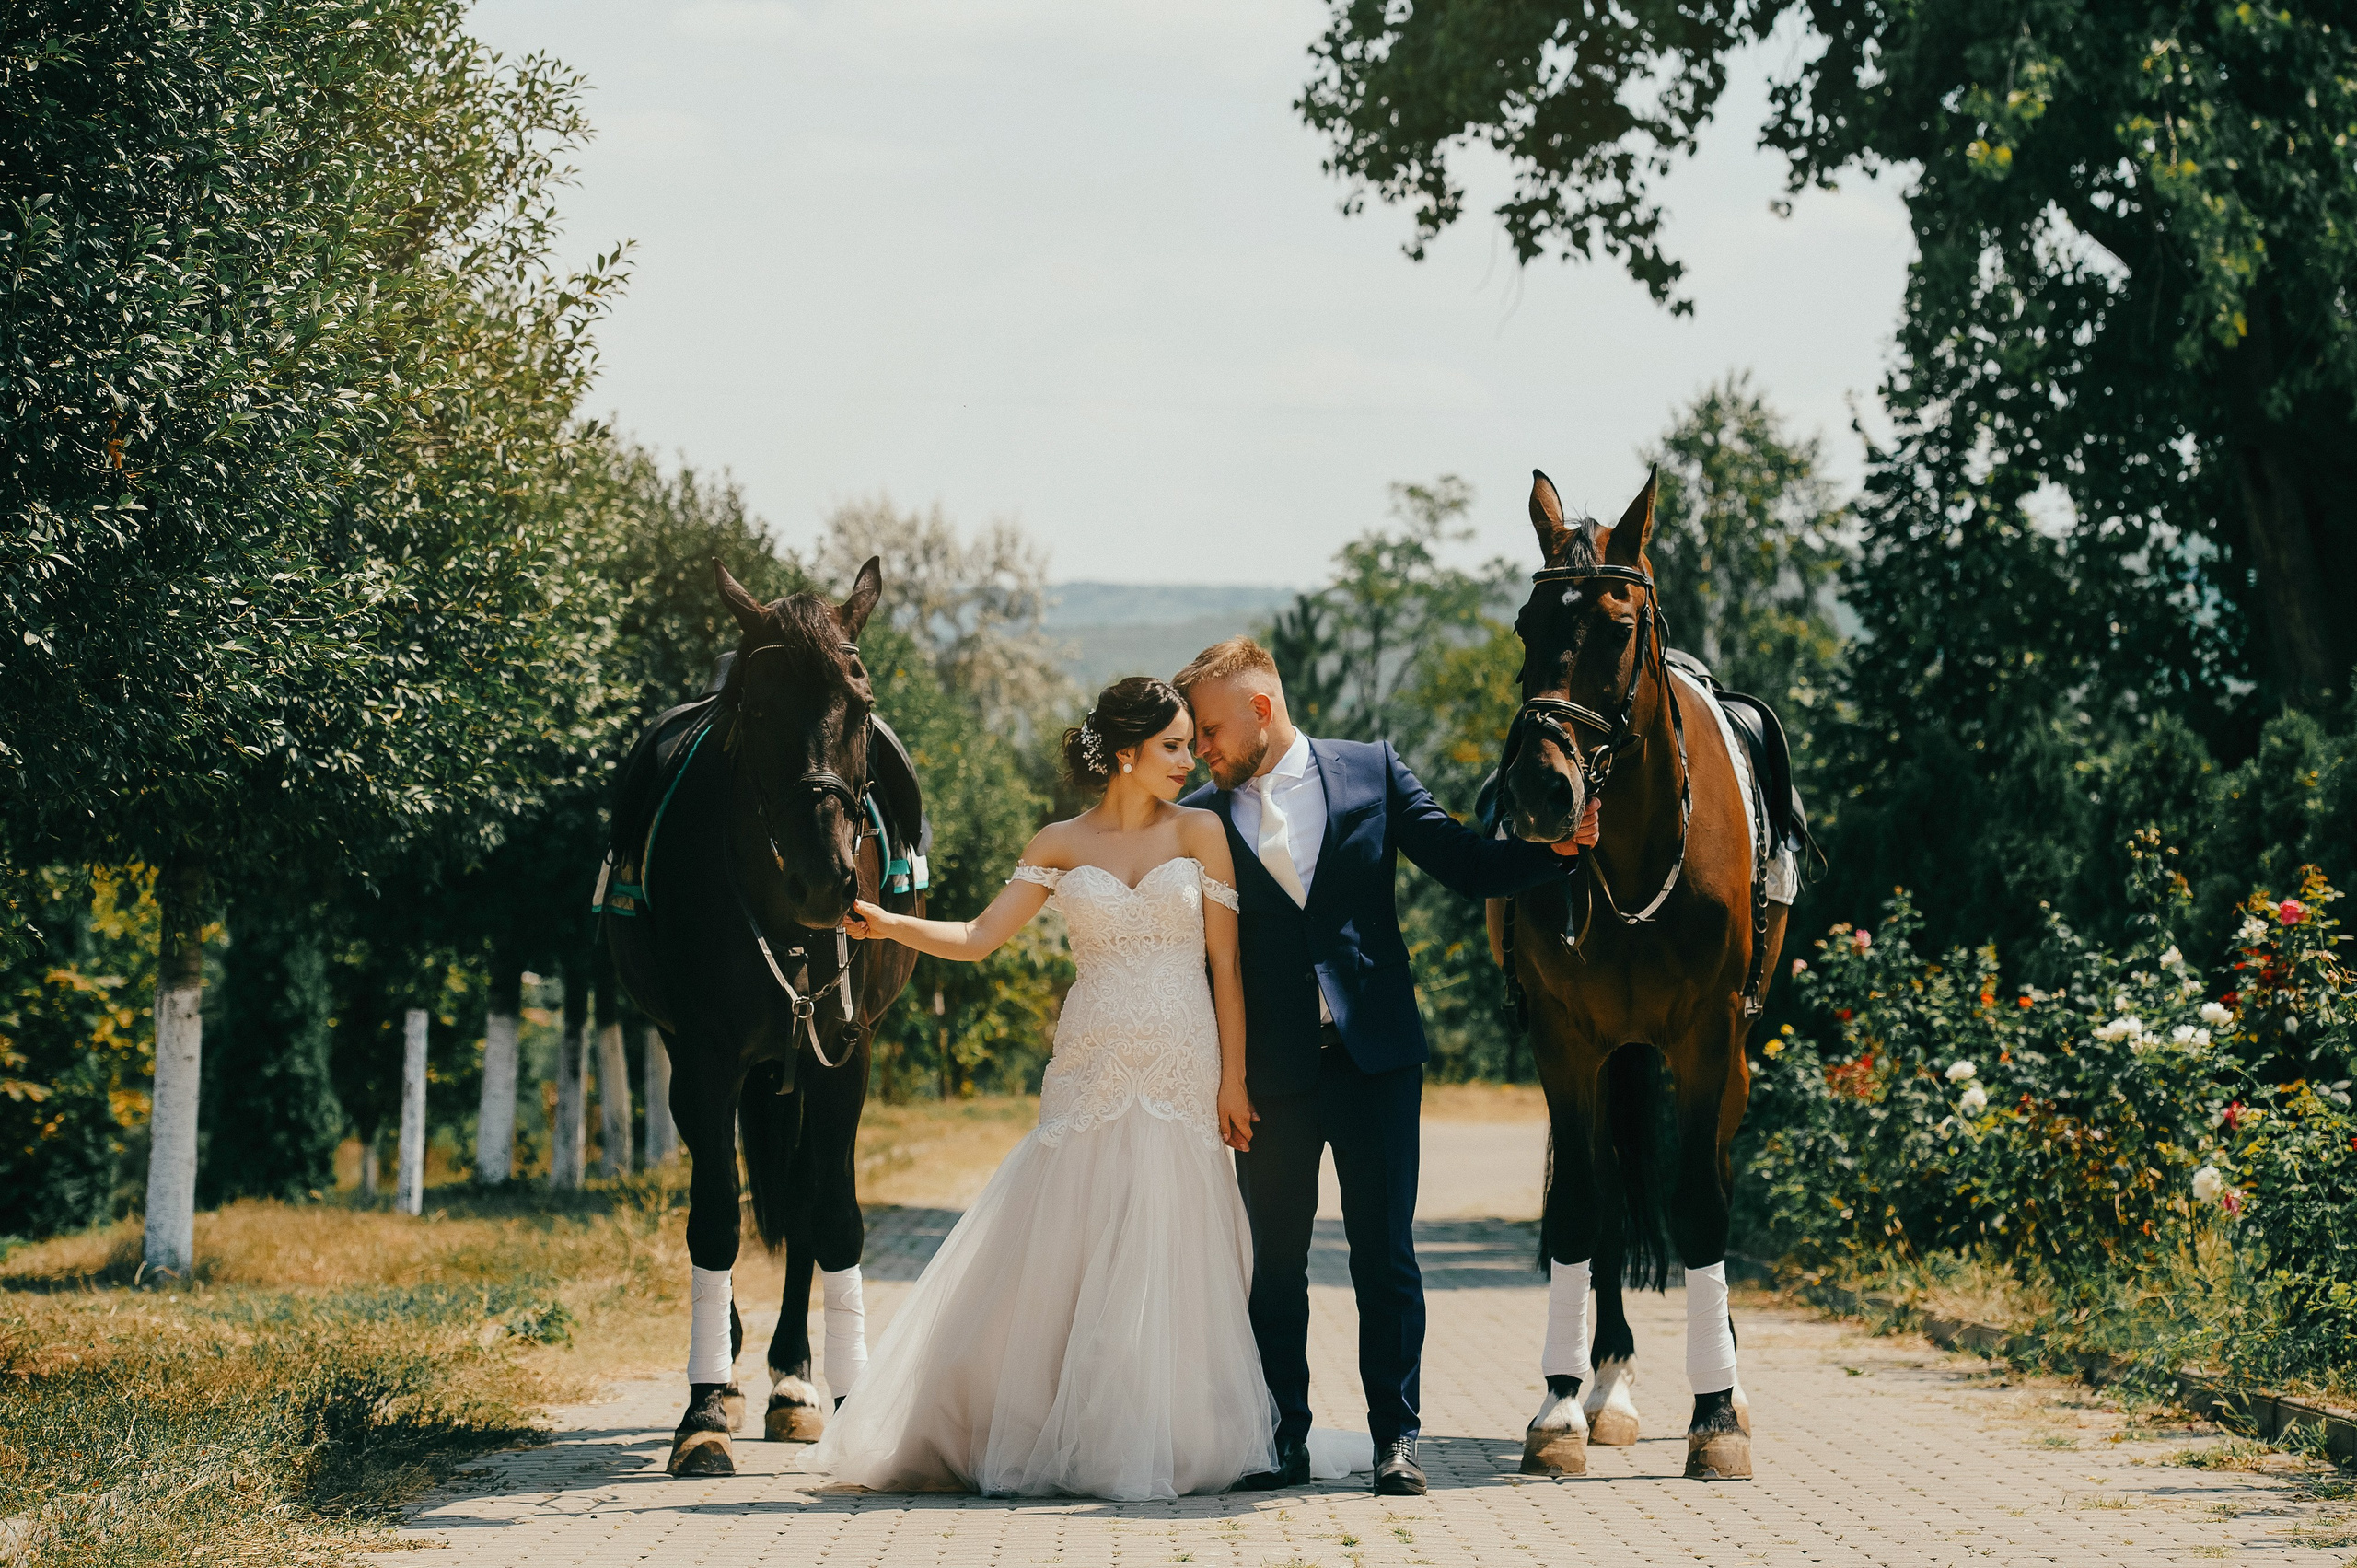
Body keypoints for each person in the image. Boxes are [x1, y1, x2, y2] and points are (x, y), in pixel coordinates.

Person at [818, 677, 1303, 1498]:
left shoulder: (1203, 835)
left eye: (1189, 744)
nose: (1189, 761)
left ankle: (1164, 1433)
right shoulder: (1059, 841)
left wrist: (1233, 1079)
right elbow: (979, 936)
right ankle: (1046, 1422)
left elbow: (1226, 967)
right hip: (1091, 1063)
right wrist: (891, 922)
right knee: (1073, 1232)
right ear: (1125, 752)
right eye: (1173, 746)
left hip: (1182, 1066)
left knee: (1167, 1236)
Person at [1174, 636, 1596, 1496]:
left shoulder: (1370, 770)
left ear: (1261, 709)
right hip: (1271, 1077)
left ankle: (1397, 1440)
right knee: (1275, 1265)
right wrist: (1218, 1073)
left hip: (1376, 1060)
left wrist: (1552, 853)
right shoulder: (1200, 816)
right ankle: (1281, 1439)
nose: (1202, 747)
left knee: (1386, 1258)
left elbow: (1460, 858)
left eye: (1212, 728)